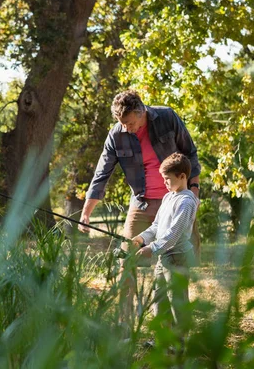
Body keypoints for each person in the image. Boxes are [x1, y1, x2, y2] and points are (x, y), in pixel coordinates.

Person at [78, 89, 201, 325]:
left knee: (177, 261)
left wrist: (193, 192)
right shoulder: (117, 135)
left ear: (141, 111)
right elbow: (101, 173)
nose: (126, 128)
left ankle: (178, 329)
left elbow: (190, 153)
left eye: (130, 122)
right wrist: (86, 212)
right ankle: (126, 326)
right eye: (121, 123)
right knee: (126, 258)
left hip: (177, 199)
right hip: (142, 201)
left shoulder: (167, 117)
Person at [132, 153, 198, 346]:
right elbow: (157, 226)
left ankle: (180, 343)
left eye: (168, 179)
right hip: (164, 257)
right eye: (163, 179)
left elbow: (173, 234)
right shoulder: (169, 197)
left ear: (182, 176)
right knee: (158, 299)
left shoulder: (186, 202)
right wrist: (141, 238)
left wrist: (151, 248)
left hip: (178, 258)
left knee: (177, 300)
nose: (165, 183)